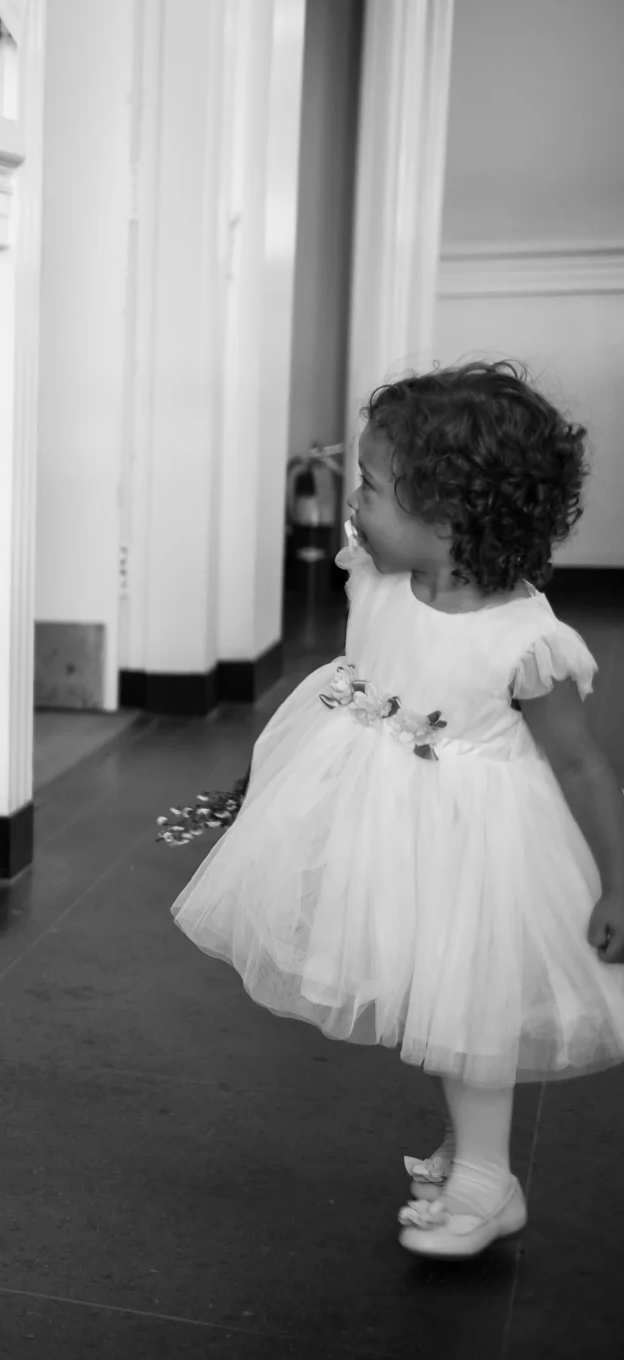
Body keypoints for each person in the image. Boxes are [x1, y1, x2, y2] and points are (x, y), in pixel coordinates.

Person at [172, 362, 624, 1259]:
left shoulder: (524, 640)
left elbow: (581, 766)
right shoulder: (379, 582)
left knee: (469, 1004)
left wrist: (618, 882)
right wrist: (267, 784)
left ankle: (488, 1183)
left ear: (446, 518)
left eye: (371, 490)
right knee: (435, 998)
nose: (353, 507)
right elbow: (345, 684)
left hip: (475, 843)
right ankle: (472, 1147)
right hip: (382, 824)